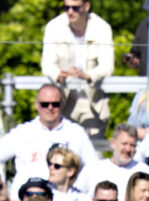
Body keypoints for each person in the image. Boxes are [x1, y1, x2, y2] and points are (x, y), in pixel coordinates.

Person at [40, 0, 113, 137]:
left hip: (93, 100)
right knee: (61, 152)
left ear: (86, 7)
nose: (70, 12)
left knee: (94, 152)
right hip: (63, 100)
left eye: (75, 8)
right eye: (66, 7)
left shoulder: (102, 27)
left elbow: (107, 66)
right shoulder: (53, 27)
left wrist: (86, 75)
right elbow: (47, 65)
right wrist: (58, 74)